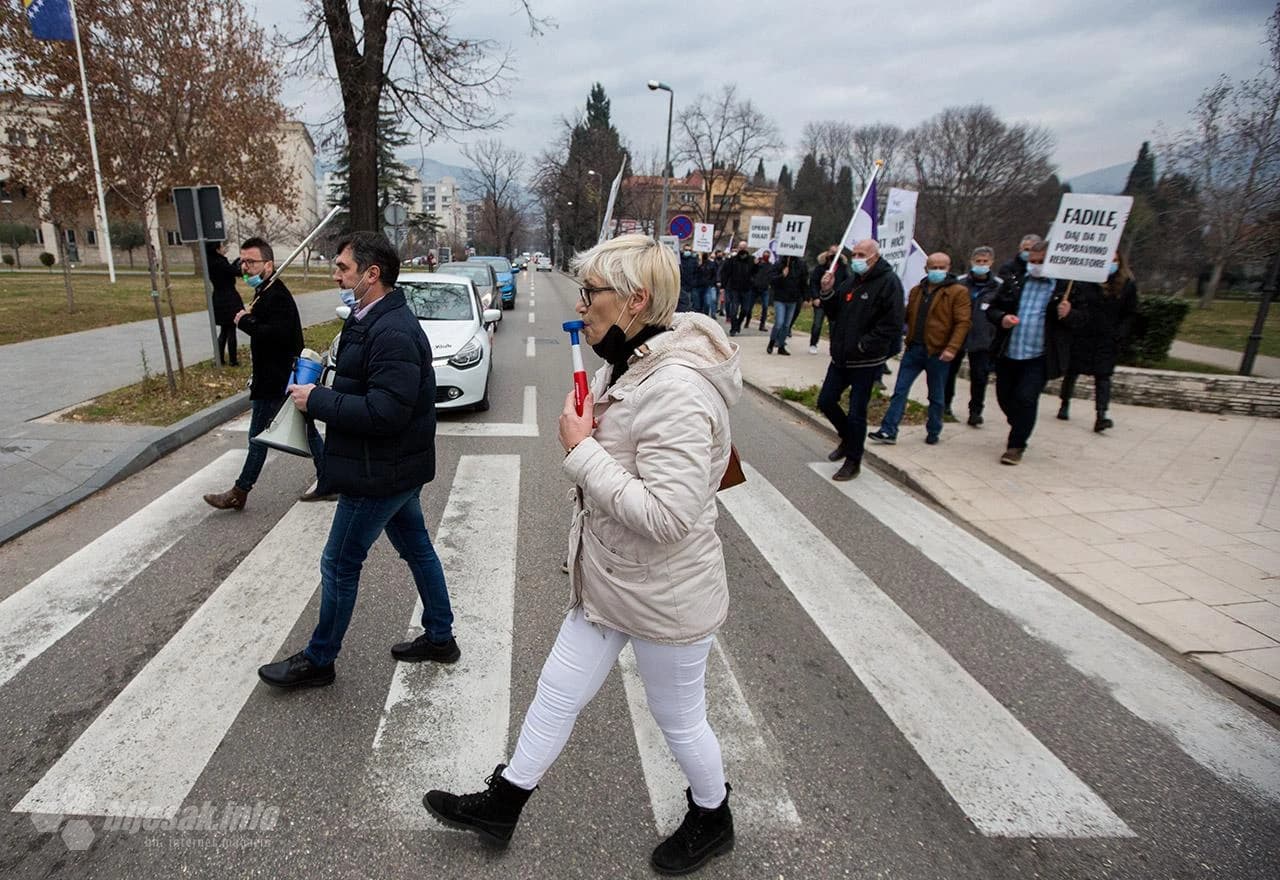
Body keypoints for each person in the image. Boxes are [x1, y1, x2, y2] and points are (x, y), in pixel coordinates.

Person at [424, 234, 741, 876]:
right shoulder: (628, 363)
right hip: (608, 577)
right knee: (556, 692)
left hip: (665, 592)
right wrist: (591, 420)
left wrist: (580, 447)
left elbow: (669, 516)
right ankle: (504, 803)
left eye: (591, 292)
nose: (582, 303)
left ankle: (714, 816)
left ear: (635, 300)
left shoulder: (676, 388)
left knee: (679, 721)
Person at [258, 232, 459, 688]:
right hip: (393, 467)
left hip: (378, 471)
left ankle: (319, 659)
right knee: (416, 548)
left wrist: (319, 400)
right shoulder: (368, 317)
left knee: (339, 564)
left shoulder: (392, 331)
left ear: (373, 274)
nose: (336, 275)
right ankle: (440, 637)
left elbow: (385, 412)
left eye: (344, 268)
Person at [203, 237, 324, 510]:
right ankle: (332, 479)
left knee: (258, 437)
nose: (245, 267)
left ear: (268, 264)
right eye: (243, 261)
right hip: (274, 378)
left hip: (277, 379)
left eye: (251, 262)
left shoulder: (276, 295)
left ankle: (240, 491)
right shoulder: (265, 291)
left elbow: (277, 335)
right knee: (306, 430)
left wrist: (244, 321)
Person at [986, 240, 1087, 465]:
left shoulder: (1064, 289)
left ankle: (1016, 445)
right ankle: (1021, 422)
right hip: (1010, 351)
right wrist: (1002, 318)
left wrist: (1068, 313)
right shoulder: (1016, 283)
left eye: (1042, 262)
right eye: (1033, 261)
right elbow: (992, 309)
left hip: (1039, 356)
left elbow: (1082, 320)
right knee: (1005, 398)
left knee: (1026, 398)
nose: (1036, 266)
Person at [816, 239, 905, 481]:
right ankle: (849, 439)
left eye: (861, 254)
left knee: (857, 412)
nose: (856, 258)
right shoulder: (852, 281)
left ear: (875, 256)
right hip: (842, 358)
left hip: (866, 361)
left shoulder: (888, 283)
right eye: (854, 254)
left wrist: (864, 344)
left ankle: (853, 460)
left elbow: (893, 324)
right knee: (826, 401)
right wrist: (827, 291)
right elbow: (835, 312)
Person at [870, 252, 971, 445]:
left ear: (949, 269)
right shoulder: (917, 291)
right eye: (933, 267)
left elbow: (963, 323)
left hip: (938, 351)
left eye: (942, 267)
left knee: (936, 395)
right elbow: (905, 316)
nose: (937, 271)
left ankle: (934, 429)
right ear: (926, 268)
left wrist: (952, 348)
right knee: (900, 390)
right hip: (914, 349)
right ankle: (888, 430)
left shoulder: (958, 292)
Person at [1058, 251, 1138, 432]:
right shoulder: (1086, 282)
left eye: (1115, 260)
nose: (1111, 263)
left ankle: (1101, 414)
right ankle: (1065, 402)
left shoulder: (1126, 285)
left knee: (1103, 376)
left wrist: (1120, 334)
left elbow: (1130, 312)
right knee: (1072, 371)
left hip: (1107, 337)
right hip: (1083, 333)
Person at [945, 246, 1002, 427]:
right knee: (949, 373)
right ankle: (945, 405)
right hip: (958, 336)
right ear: (972, 262)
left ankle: (975, 411)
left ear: (991, 262)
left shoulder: (999, 286)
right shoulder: (959, 283)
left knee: (979, 376)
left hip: (983, 338)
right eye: (978, 261)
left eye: (985, 261)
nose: (981, 264)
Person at [208, 241, 244, 367]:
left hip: (217, 297)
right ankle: (233, 360)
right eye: (222, 246)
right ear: (217, 249)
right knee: (231, 330)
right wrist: (240, 265)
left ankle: (220, 359)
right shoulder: (220, 262)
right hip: (228, 298)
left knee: (224, 330)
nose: (224, 248)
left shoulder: (210, 262)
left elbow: (230, 270)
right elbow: (235, 272)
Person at [808, 245, 847, 354]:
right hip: (821, 300)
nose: (833, 255)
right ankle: (813, 343)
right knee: (817, 324)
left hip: (835, 302)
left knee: (834, 326)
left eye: (836, 252)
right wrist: (815, 297)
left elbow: (846, 283)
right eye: (831, 252)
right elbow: (813, 283)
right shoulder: (820, 268)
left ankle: (833, 346)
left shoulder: (842, 269)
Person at [767, 255, 808, 355]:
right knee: (779, 322)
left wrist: (806, 297)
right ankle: (772, 342)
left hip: (793, 299)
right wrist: (782, 276)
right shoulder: (779, 264)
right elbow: (771, 280)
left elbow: (803, 282)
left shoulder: (801, 265)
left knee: (786, 325)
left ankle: (781, 346)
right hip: (780, 298)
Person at [720, 242, 754, 336]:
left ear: (747, 248)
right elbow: (726, 273)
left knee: (745, 310)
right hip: (734, 288)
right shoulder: (732, 260)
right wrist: (723, 286)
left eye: (744, 247)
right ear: (738, 248)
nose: (742, 249)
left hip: (746, 289)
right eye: (741, 247)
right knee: (733, 310)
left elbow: (755, 273)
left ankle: (738, 323)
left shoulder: (751, 260)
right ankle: (733, 328)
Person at [749, 251, 772, 331]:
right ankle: (747, 320)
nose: (766, 257)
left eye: (767, 256)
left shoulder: (770, 266)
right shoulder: (757, 265)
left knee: (765, 307)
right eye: (765, 255)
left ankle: (762, 325)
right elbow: (751, 272)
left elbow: (771, 276)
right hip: (754, 288)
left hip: (764, 289)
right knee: (749, 307)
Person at [696, 251, 719, 317]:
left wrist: (712, 283)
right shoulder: (698, 264)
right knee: (699, 303)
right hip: (698, 285)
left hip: (708, 285)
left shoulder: (712, 264)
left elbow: (715, 274)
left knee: (707, 302)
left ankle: (706, 314)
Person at [678, 246, 698, 313]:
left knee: (688, 302)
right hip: (681, 284)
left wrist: (694, 282)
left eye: (689, 250)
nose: (688, 251)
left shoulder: (693, 260)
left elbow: (696, 272)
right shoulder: (679, 260)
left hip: (690, 285)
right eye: (686, 250)